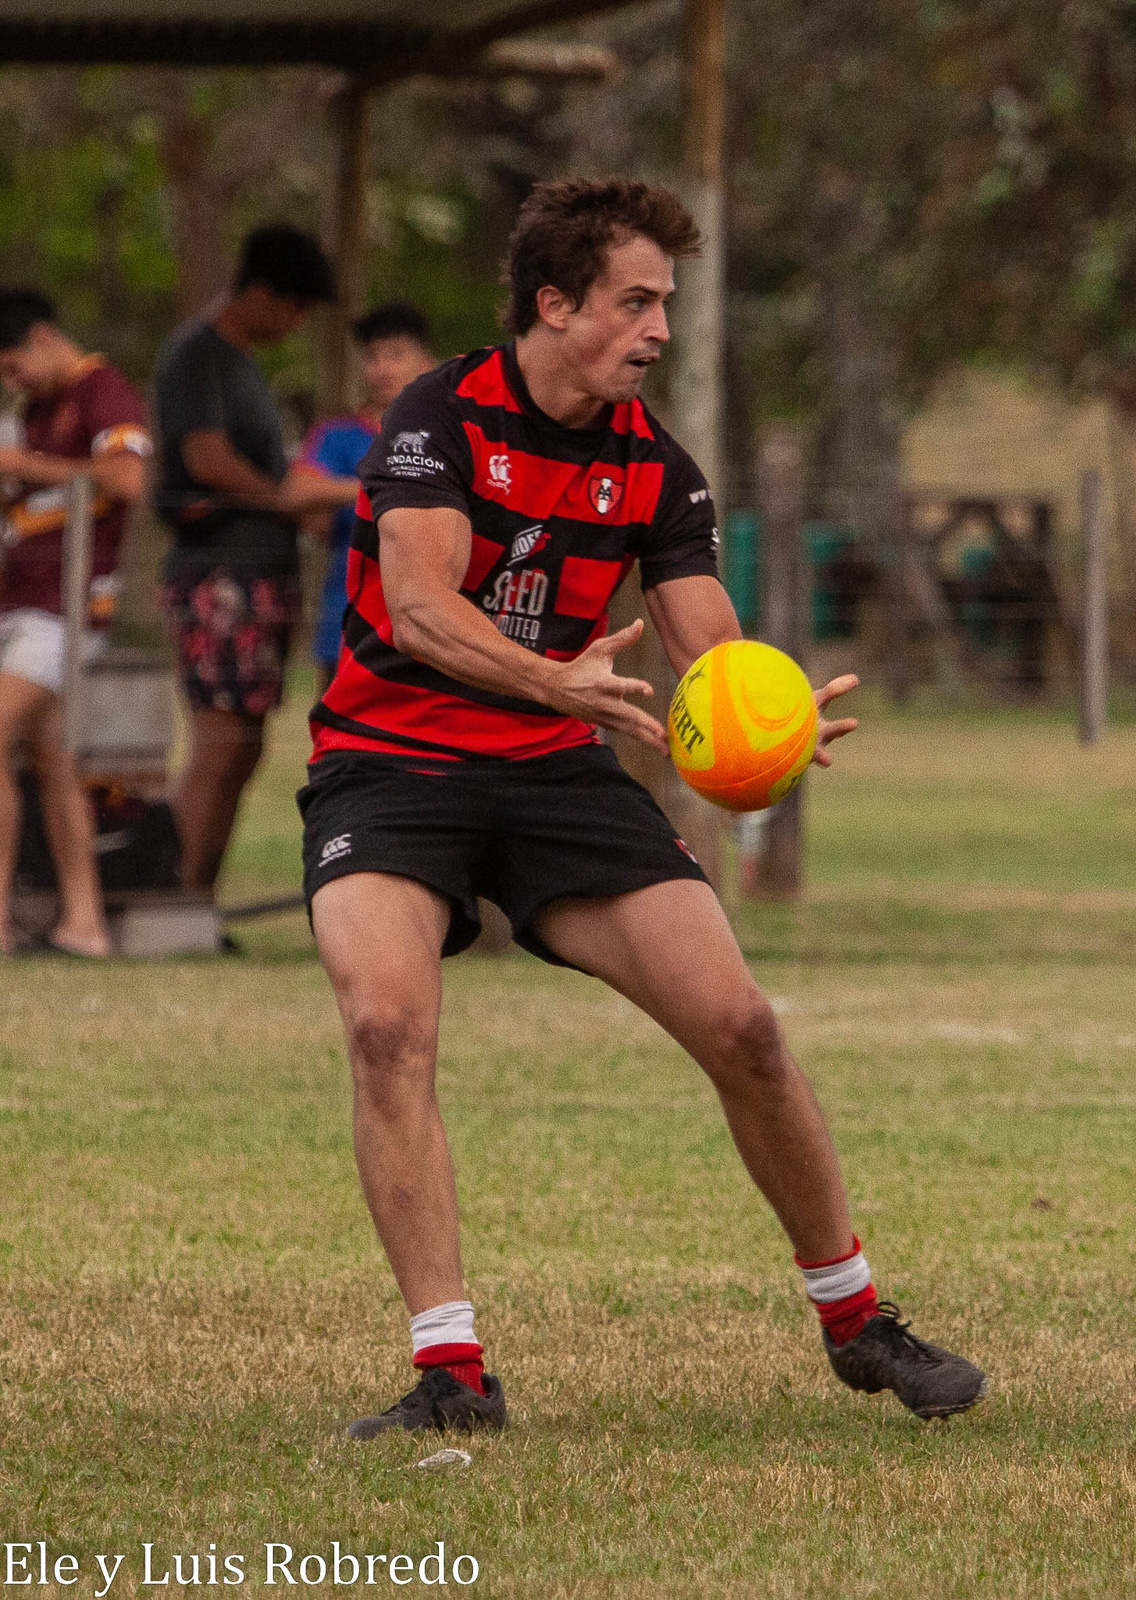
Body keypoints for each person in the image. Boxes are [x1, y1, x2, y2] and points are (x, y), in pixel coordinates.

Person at [298, 177, 987, 1437]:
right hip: (387, 760)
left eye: (667, 302)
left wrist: (758, 717)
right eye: (636, 300)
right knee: (387, 1026)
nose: (661, 327)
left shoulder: (654, 467)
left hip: (556, 773)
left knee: (744, 1026)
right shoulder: (437, 418)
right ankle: (452, 1376)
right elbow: (419, 607)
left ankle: (857, 1318)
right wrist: (550, 675)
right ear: (555, 304)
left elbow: (702, 646)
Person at [153, 224, 357, 893]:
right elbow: (204, 458)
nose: (295, 324)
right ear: (262, 292)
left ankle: (199, 894)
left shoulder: (241, 364)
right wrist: (284, 500)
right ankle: (170, 896)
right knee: (216, 738)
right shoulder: (197, 355)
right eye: (294, 307)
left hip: (261, 571)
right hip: (219, 570)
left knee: (246, 742)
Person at [0, 290, 151, 957]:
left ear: (40, 338)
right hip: (22, 601)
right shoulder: (32, 410)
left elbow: (126, 481)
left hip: (64, 608)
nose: (13, 381)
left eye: (11, 364)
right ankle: (83, 922)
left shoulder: (103, 392)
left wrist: (24, 467)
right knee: (54, 760)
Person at [295, 303, 436, 699]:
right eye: (372, 357)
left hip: (436, 618)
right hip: (347, 614)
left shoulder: (450, 431)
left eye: (396, 355)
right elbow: (298, 490)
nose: (382, 368)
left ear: (426, 360)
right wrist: (386, 490)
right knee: (337, 737)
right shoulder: (339, 435)